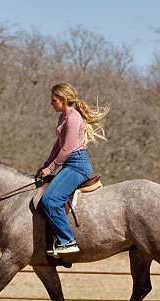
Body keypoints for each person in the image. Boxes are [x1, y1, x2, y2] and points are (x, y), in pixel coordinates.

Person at [38, 82, 109, 256]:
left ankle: (67, 240)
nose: (51, 103)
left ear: (62, 99)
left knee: (51, 200)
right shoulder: (63, 117)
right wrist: (47, 164)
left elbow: (67, 149)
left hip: (77, 165)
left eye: (54, 100)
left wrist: (53, 167)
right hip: (69, 164)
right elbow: (58, 144)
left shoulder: (73, 118)